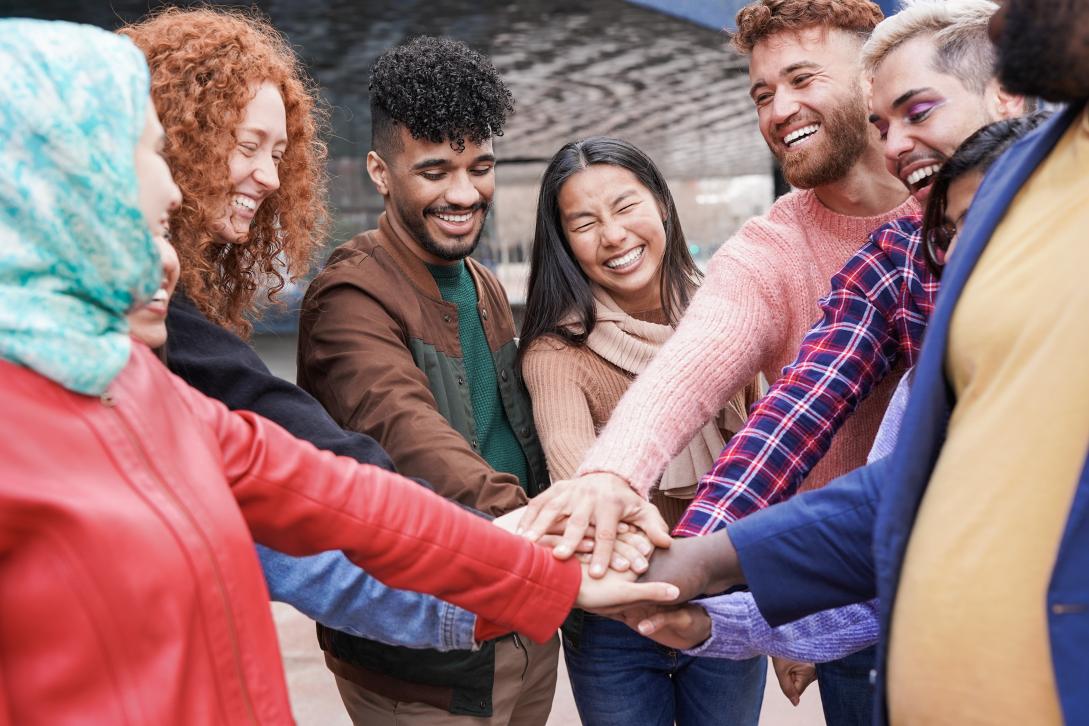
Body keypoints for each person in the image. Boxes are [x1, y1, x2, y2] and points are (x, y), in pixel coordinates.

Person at [0, 20, 678, 724]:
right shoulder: (345, 295)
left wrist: (542, 573)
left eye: (480, 168)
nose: (170, 195)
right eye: (148, 151)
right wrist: (537, 546)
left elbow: (331, 504)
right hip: (429, 666)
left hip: (485, 614)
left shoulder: (143, 390)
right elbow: (374, 455)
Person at [629, 0, 1089, 722]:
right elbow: (837, 448)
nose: (896, 144)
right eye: (883, 124)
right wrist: (693, 560)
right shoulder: (900, 255)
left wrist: (710, 576)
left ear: (1003, 96)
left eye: (917, 110)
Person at [296, 36, 668, 724]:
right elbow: (413, 443)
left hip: (521, 623)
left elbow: (522, 429)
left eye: (481, 166)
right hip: (421, 654)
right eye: (434, 171)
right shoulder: (349, 296)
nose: (464, 193)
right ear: (380, 172)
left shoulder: (484, 283)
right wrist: (559, 539)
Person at [119, 6, 489, 655]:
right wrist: (497, 548)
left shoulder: (164, 300)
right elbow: (299, 440)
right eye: (246, 145)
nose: (268, 175)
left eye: (280, 153)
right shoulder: (153, 309)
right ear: (176, 137)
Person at [630, 109, 1050, 661]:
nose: (949, 250)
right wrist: (713, 621)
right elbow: (881, 553)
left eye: (916, 110)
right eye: (946, 230)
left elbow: (890, 507)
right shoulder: (933, 378)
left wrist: (705, 560)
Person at [518, 136, 766, 724]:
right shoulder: (557, 352)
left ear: (661, 205)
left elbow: (767, 456)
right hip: (615, 624)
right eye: (584, 222)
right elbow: (577, 485)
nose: (613, 235)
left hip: (726, 601)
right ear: (564, 243)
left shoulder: (727, 315)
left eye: (626, 206)